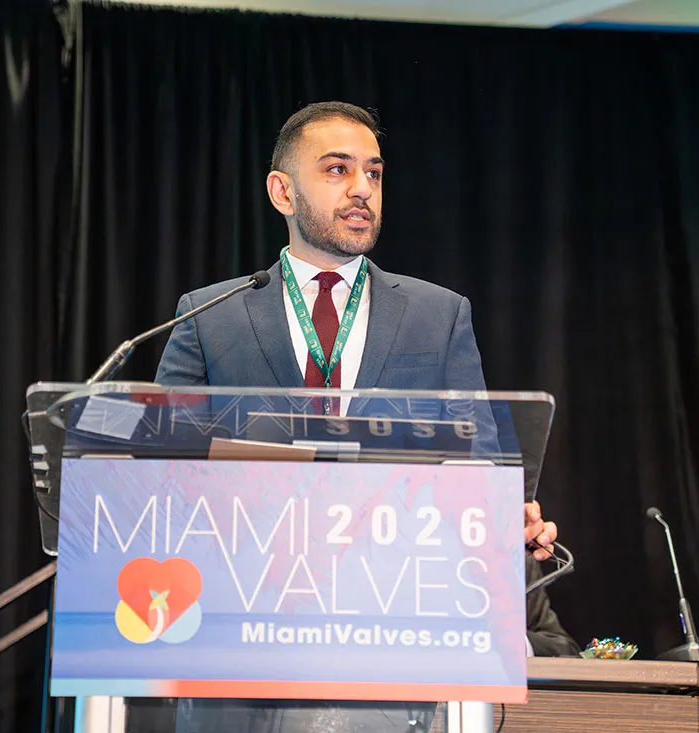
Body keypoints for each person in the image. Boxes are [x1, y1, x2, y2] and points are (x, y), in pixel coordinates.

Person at [151, 101, 577, 731]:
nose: (361, 190)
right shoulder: (210, 315)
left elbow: (479, 464)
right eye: (337, 170)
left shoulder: (438, 315)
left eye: (374, 174)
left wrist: (501, 511)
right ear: (282, 191)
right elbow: (159, 469)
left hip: (394, 642)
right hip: (241, 644)